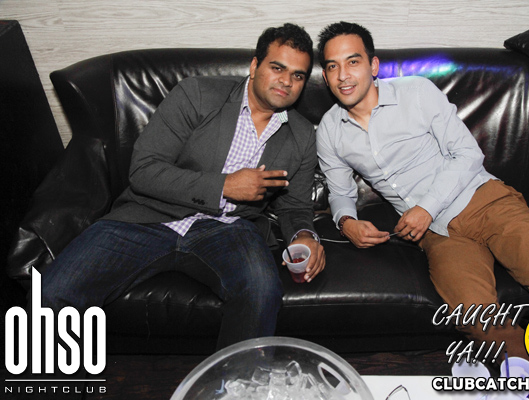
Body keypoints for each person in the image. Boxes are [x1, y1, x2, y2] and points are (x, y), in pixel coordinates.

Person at [316, 21, 529, 400]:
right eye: (332, 66)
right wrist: (346, 221)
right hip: (440, 236)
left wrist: (425, 208)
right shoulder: (330, 130)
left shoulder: (416, 92)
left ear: (373, 65)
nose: (343, 75)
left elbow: (468, 153)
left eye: (353, 61)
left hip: (485, 201)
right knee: (475, 319)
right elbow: (339, 192)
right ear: (325, 75)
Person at [40, 23, 325, 351]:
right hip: (148, 217)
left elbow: (294, 206)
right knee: (51, 293)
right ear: (254, 65)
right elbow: (144, 170)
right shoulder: (198, 94)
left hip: (229, 230)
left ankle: (235, 379)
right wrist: (224, 186)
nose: (287, 81)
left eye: (298, 75)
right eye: (277, 68)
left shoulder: (302, 135)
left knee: (261, 291)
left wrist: (305, 235)